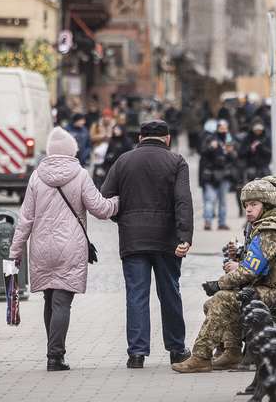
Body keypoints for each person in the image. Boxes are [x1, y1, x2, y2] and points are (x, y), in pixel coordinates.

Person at [171, 180, 276, 373]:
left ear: (267, 204)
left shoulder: (271, 229)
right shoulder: (265, 224)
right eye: (245, 205)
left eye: (254, 205)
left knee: (222, 299)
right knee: (214, 303)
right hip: (275, 288)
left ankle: (201, 357)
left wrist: (219, 284)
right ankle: (232, 352)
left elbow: (250, 270)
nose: (248, 209)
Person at [9, 127, 119, 371]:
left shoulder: (36, 176)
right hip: (70, 247)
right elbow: (100, 209)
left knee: (50, 299)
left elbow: (25, 218)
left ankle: (52, 354)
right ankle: (55, 357)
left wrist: (14, 252)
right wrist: (118, 202)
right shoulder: (79, 174)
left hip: (41, 248)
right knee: (61, 303)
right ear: (72, 151)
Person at [101, 120, 194, 369]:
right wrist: (185, 236)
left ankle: (137, 354)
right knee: (170, 293)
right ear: (168, 138)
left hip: (133, 239)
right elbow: (183, 201)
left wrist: (124, 219)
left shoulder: (123, 161)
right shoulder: (176, 162)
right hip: (167, 240)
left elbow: (105, 197)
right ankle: (176, 349)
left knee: (136, 295)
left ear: (140, 137)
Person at [200, 120, 238, 230]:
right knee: (210, 199)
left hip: (224, 175)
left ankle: (222, 222)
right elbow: (202, 152)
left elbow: (235, 158)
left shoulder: (229, 140)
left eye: (225, 128)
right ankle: (208, 221)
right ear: (217, 128)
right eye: (221, 128)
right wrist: (211, 147)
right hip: (211, 175)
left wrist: (230, 152)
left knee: (223, 201)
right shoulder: (210, 139)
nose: (223, 130)